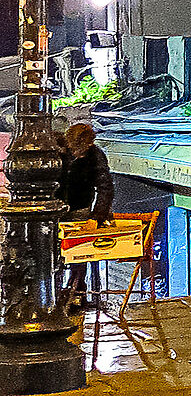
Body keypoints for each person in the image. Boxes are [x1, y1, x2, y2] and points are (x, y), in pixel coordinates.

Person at [61, 124, 113, 309]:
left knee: (79, 254)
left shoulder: (95, 155)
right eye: (76, 150)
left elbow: (105, 187)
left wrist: (96, 217)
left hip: (80, 210)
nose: (79, 155)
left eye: (83, 150)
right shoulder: (58, 151)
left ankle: (76, 292)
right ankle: (62, 293)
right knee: (57, 256)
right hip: (56, 211)